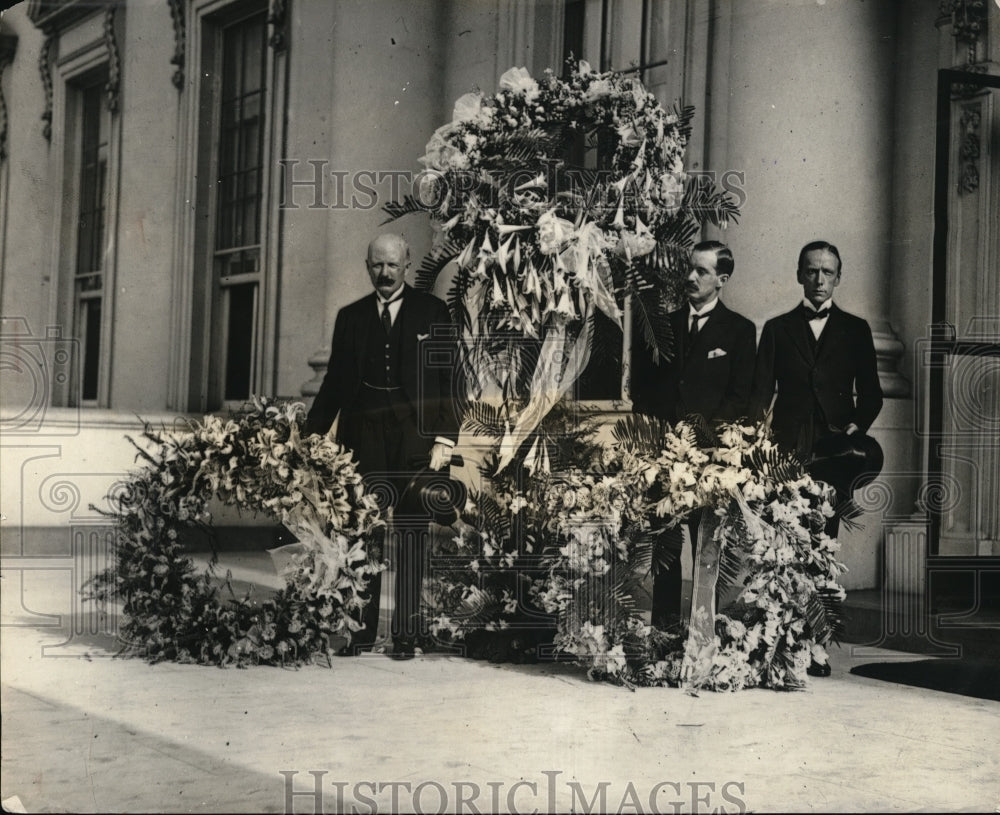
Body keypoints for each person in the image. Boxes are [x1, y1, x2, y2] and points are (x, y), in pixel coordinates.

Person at [306, 233, 458, 659]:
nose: (385, 273)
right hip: (363, 437)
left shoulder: (433, 312)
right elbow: (334, 384)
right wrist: (307, 440)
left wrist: (445, 438)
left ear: (407, 265)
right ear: (366, 266)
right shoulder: (350, 317)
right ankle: (361, 630)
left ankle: (407, 634)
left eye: (393, 265)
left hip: (416, 438)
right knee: (363, 533)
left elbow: (451, 381)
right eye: (377, 265)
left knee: (411, 532)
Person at [751, 240, 883, 676]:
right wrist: (755, 444)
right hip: (787, 451)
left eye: (828, 272)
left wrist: (855, 428)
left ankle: (816, 647)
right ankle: (777, 644)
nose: (820, 279)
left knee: (821, 547)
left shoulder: (856, 328)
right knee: (781, 548)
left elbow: (873, 393)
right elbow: (758, 396)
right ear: (798, 275)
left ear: (839, 278)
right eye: (812, 271)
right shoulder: (776, 328)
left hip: (833, 453)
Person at [631, 240, 757, 628]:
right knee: (665, 548)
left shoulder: (739, 331)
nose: (690, 277)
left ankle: (703, 636)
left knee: (707, 549)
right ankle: (665, 632)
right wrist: (659, 443)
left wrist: (704, 444)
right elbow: (642, 389)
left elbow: (741, 397)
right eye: (689, 268)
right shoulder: (660, 326)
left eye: (701, 271)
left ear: (722, 279)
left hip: (709, 459)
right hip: (663, 456)